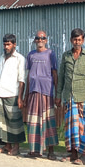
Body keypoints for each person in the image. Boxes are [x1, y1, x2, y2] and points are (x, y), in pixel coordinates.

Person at [56, 28, 85, 165]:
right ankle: (73, 154)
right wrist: (58, 95)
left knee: (83, 127)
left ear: (83, 40)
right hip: (68, 96)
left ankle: (83, 155)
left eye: (79, 40)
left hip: (82, 97)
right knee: (70, 127)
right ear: (71, 40)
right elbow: (61, 77)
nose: (77, 42)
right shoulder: (66, 56)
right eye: (75, 39)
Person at [0, 33, 26, 156]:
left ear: (14, 44)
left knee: (14, 123)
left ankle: (16, 147)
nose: (6, 47)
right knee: (2, 123)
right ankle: (6, 146)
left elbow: (22, 80)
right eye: (4, 44)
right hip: (0, 94)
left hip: (12, 95)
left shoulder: (20, 59)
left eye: (8, 44)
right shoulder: (2, 58)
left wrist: (20, 97)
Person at [24, 30, 58, 160]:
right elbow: (29, 75)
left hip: (46, 92)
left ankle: (51, 151)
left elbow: (55, 73)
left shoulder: (50, 54)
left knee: (47, 121)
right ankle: (34, 150)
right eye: (38, 38)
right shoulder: (31, 55)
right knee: (33, 121)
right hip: (33, 91)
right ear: (35, 40)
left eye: (42, 38)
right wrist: (26, 94)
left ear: (46, 40)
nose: (40, 40)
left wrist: (56, 94)